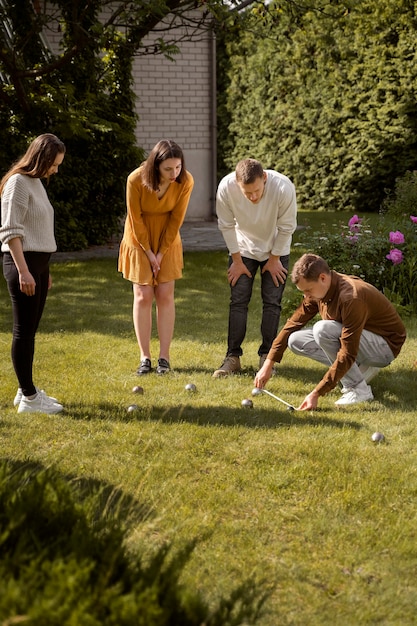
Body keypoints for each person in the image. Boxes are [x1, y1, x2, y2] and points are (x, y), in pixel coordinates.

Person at [255, 253, 407, 408]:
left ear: (323, 278)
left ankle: (358, 390)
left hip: (385, 347)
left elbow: (348, 352)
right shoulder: (320, 291)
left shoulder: (351, 297)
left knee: (322, 329)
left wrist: (317, 392)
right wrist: (268, 363)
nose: (306, 296)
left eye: (308, 290)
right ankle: (358, 370)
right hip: (360, 341)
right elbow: (293, 323)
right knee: (295, 340)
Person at [213, 158, 297, 378]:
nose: (253, 197)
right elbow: (226, 225)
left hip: (276, 250)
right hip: (243, 249)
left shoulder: (283, 187)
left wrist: (274, 258)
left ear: (265, 179)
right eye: (247, 192)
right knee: (238, 301)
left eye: (257, 191)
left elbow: (287, 227)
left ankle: (266, 359)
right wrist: (237, 261)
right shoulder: (226, 187)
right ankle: (232, 358)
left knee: (272, 302)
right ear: (236, 183)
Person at [0, 133, 66, 414]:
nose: (56, 169)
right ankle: (29, 397)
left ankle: (23, 389)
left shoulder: (36, 182)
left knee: (31, 331)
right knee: (23, 331)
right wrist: (25, 272)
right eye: (54, 163)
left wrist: (43, 271)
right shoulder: (18, 182)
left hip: (37, 266)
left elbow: (38, 230)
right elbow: (11, 230)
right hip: (21, 264)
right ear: (41, 158)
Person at [118, 139, 194, 375]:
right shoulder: (135, 179)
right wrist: (149, 253)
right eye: (168, 169)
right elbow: (135, 219)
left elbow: (176, 219)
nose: (174, 174)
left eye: (178, 167)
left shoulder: (185, 181)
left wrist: (161, 253)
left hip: (167, 239)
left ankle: (164, 357)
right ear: (155, 166)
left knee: (164, 294)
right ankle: (145, 357)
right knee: (143, 295)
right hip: (138, 238)